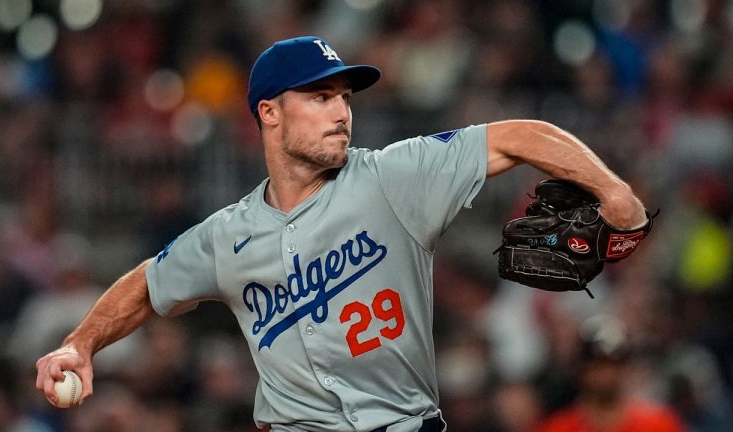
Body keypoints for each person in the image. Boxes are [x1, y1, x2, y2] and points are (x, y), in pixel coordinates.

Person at [35, 36, 649, 432]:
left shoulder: (394, 176)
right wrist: (81, 343)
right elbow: (148, 283)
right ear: (269, 112)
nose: (341, 110)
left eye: (344, 96)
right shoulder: (230, 235)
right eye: (320, 95)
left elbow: (518, 134)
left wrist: (612, 190)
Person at [535, 315, 686, 432]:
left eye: (613, 365)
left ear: (626, 368)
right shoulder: (558, 427)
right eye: (597, 365)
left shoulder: (660, 424)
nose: (606, 374)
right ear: (581, 369)